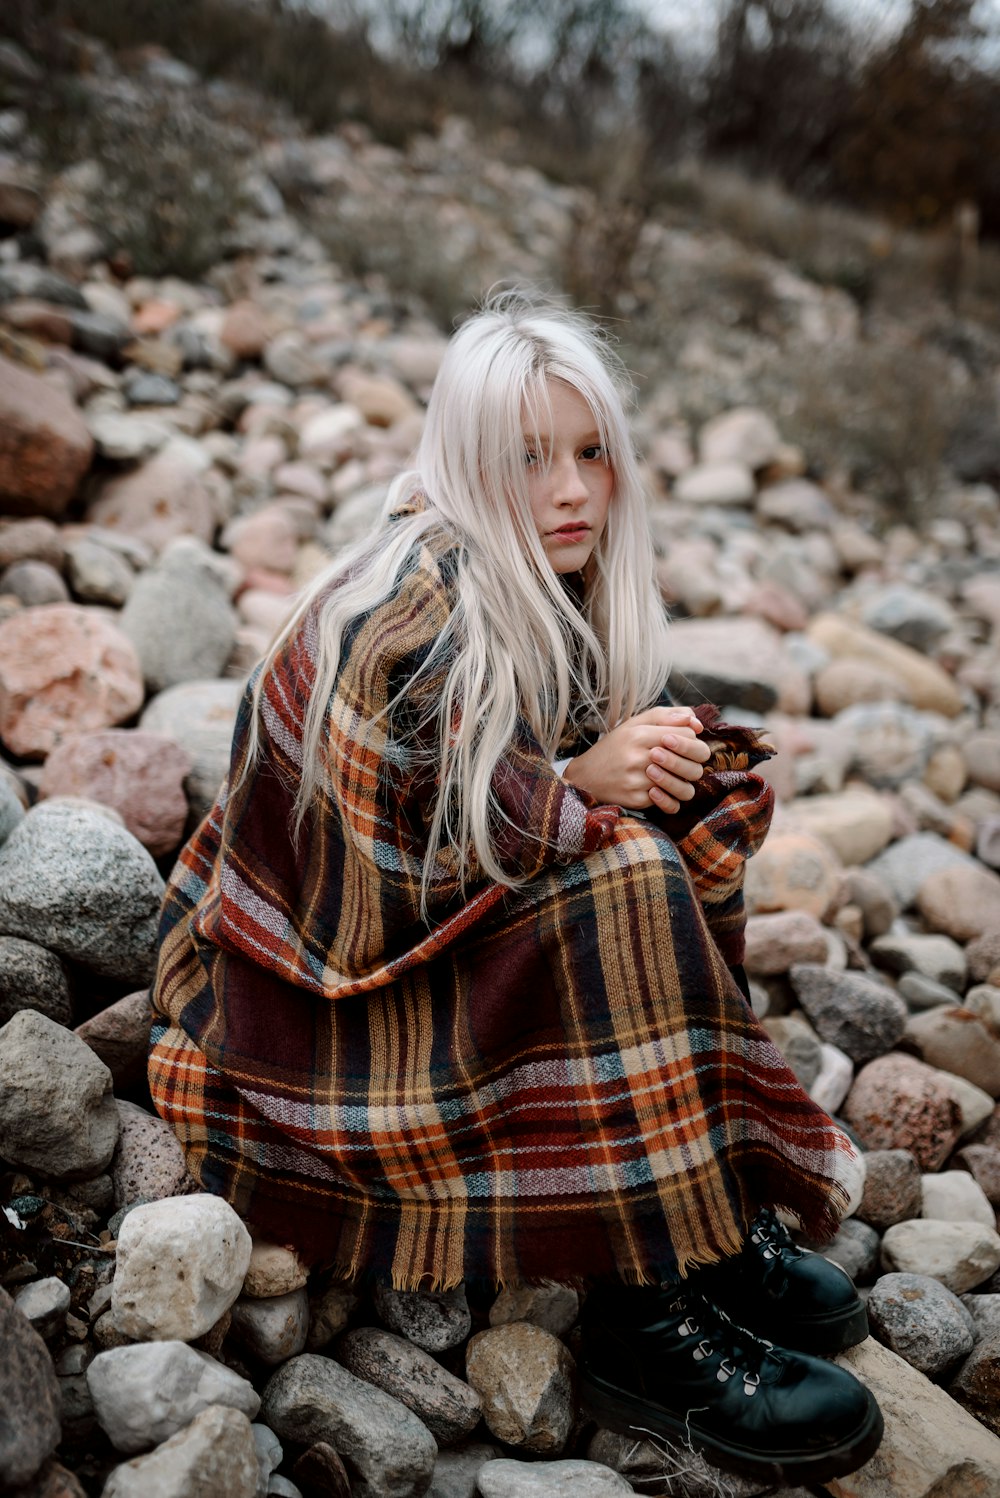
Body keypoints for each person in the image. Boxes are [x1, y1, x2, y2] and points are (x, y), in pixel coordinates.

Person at [149, 292, 883, 1485]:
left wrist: (629, 771)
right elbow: (373, 889)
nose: (573, 490)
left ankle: (697, 1212)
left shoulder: (540, 580)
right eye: (530, 457)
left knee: (668, 818)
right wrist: (580, 789)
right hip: (298, 1006)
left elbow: (511, 794)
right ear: (465, 462)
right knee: (620, 868)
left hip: (390, 952)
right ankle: (643, 1319)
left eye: (591, 451)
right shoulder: (401, 613)